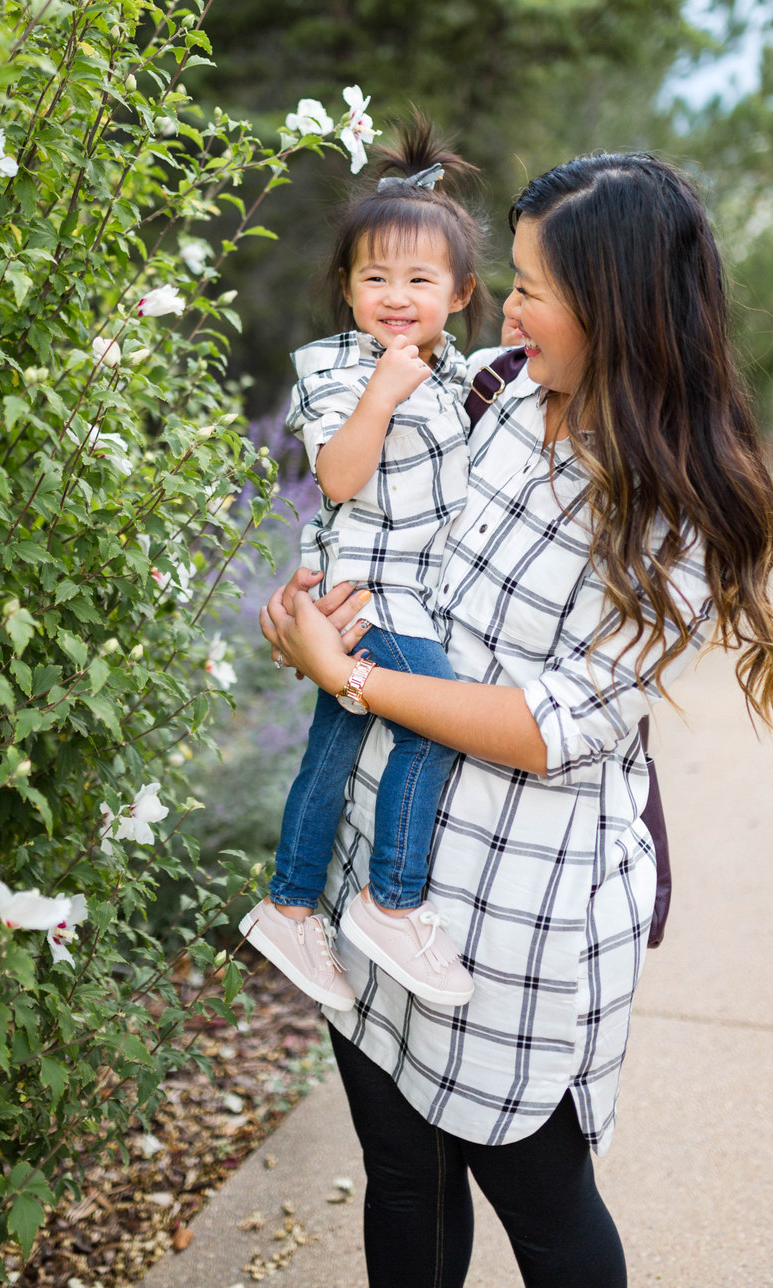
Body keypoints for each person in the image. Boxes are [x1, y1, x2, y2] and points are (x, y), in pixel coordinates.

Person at [260, 150, 773, 1288]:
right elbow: (377, 527)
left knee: (544, 1213)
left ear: (619, 308)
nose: (504, 307)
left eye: (533, 287)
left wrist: (349, 681)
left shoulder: (674, 508)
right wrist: (315, 613)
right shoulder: (490, 390)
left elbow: (557, 724)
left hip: (514, 916)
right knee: (399, 1174)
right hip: (379, 866)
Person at [241, 121, 496, 1009]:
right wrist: (383, 396)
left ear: (459, 293)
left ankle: (291, 905)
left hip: (413, 595)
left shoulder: (465, 372)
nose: (396, 295)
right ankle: (392, 903)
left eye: (419, 279)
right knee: (436, 722)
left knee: (332, 750)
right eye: (374, 277)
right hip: (369, 594)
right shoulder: (335, 369)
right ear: (346, 290)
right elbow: (339, 478)